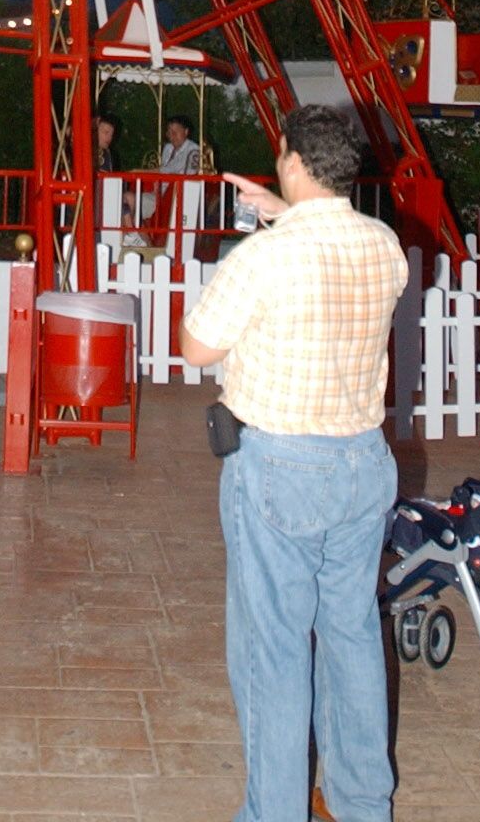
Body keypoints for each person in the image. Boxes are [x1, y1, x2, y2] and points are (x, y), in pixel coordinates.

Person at [181, 107, 408, 822]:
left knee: (274, 649)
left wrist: (274, 230)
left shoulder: (262, 257)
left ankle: (274, 810)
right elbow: (328, 251)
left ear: (292, 162)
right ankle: (363, 802)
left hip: (280, 465)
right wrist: (288, 214)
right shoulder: (385, 245)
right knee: (351, 636)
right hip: (362, 463)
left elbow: (197, 346)